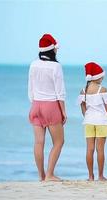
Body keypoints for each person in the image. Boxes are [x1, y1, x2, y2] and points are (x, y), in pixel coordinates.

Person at [28, 34, 66, 181]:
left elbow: (30, 89)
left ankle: (41, 176)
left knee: (38, 142)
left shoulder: (33, 64)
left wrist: (34, 103)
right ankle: (50, 174)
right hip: (51, 106)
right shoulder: (56, 66)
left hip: (36, 105)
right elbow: (60, 92)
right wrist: (63, 111)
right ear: (52, 50)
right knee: (59, 142)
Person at [77, 62, 107, 181]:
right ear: (97, 77)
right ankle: (101, 176)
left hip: (88, 121)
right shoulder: (102, 90)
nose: (102, 79)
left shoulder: (83, 90)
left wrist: (86, 116)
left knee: (89, 149)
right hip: (101, 121)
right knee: (100, 149)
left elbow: (83, 107)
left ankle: (90, 176)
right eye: (101, 77)